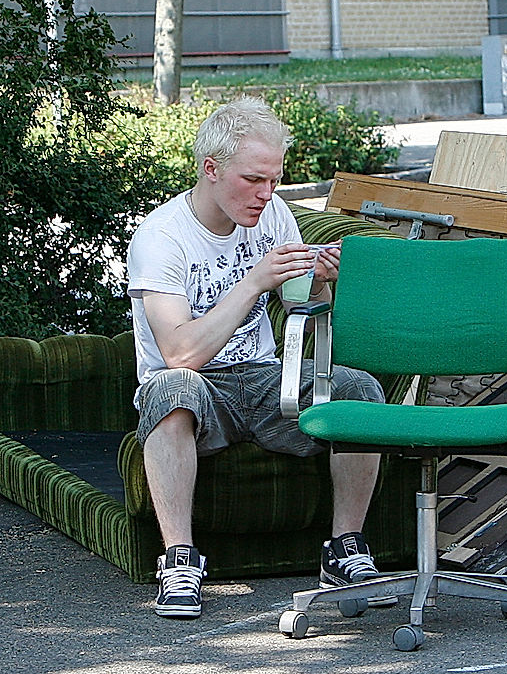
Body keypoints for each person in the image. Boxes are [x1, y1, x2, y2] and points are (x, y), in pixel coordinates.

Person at [127, 96, 390, 618]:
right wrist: (252, 283)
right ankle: (179, 561)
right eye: (253, 180)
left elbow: (299, 307)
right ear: (211, 169)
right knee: (169, 387)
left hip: (266, 377)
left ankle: (343, 548)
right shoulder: (162, 238)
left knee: (360, 388)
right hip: (200, 387)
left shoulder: (274, 215)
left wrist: (320, 283)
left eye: (274, 181)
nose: (266, 195)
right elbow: (180, 352)